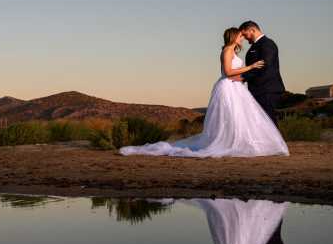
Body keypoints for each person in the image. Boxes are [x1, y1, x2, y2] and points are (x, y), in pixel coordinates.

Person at [118, 26, 288, 157]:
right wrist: (249, 67)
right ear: (233, 36)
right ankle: (228, 143)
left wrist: (244, 76)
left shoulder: (233, 51)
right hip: (228, 87)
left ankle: (239, 141)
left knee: (239, 117)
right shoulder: (227, 50)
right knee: (230, 117)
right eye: (240, 35)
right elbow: (228, 72)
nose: (242, 38)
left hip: (236, 87)